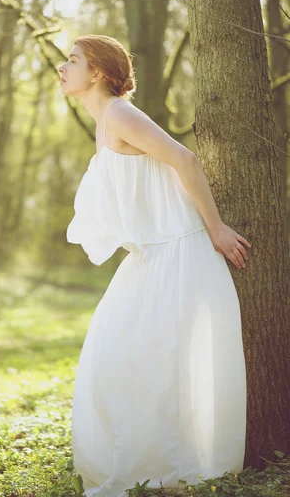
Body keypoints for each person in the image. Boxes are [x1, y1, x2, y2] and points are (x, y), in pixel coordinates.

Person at [59, 34, 249, 497]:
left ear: (98, 72)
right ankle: (151, 465)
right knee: (113, 355)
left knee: (152, 362)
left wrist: (217, 228)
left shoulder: (121, 114)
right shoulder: (107, 122)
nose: (62, 68)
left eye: (72, 60)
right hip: (153, 255)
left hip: (180, 253)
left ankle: (171, 467)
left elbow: (183, 158)